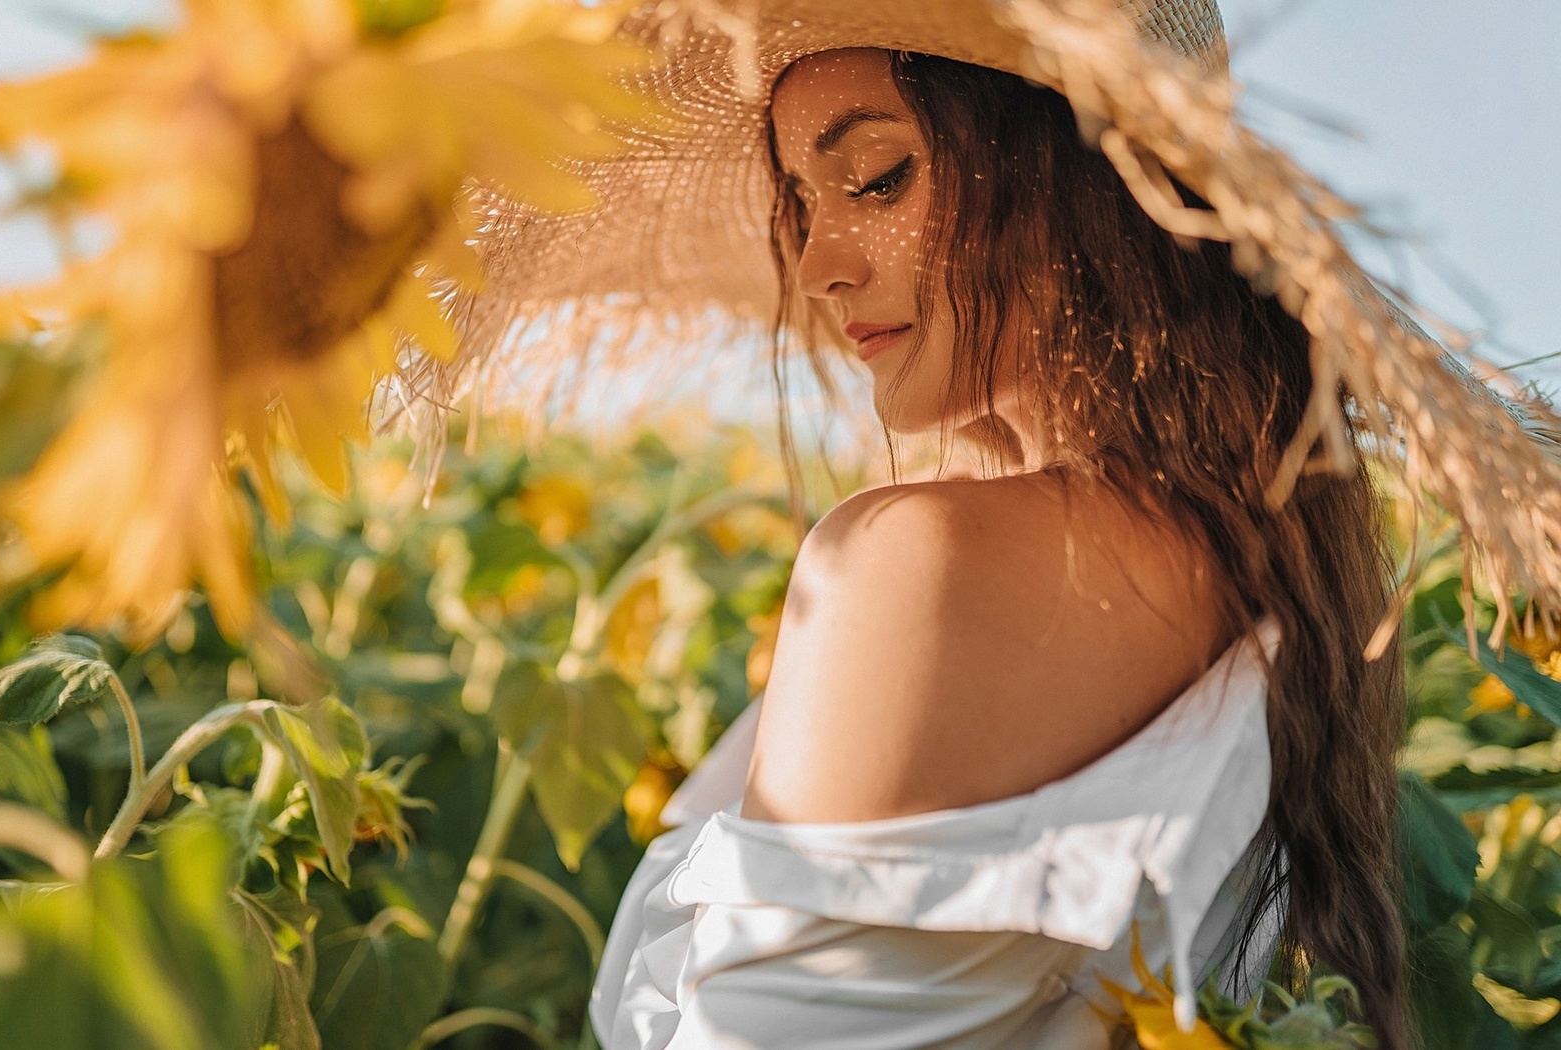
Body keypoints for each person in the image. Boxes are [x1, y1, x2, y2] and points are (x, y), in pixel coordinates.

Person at [435, 2, 1559, 1048]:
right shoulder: (1274, 565)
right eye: (800, 202)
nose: (818, 264)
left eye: (875, 176)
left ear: (1076, 173)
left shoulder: (920, 564)